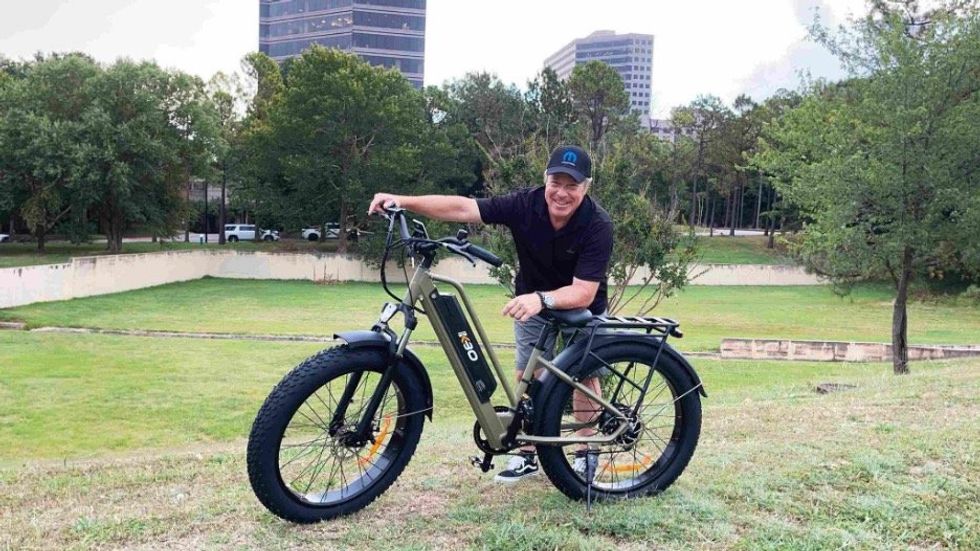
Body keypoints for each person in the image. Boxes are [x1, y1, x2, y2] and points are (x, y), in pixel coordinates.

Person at [368, 145, 614, 483]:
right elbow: (463, 207)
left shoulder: (597, 224)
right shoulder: (524, 204)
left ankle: (587, 453)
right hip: (532, 300)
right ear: (545, 181)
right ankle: (527, 454)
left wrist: (542, 300)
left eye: (572, 185)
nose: (562, 193)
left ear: (586, 187)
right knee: (525, 374)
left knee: (584, 378)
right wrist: (404, 200)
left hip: (580, 306)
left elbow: (583, 291)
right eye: (556, 182)